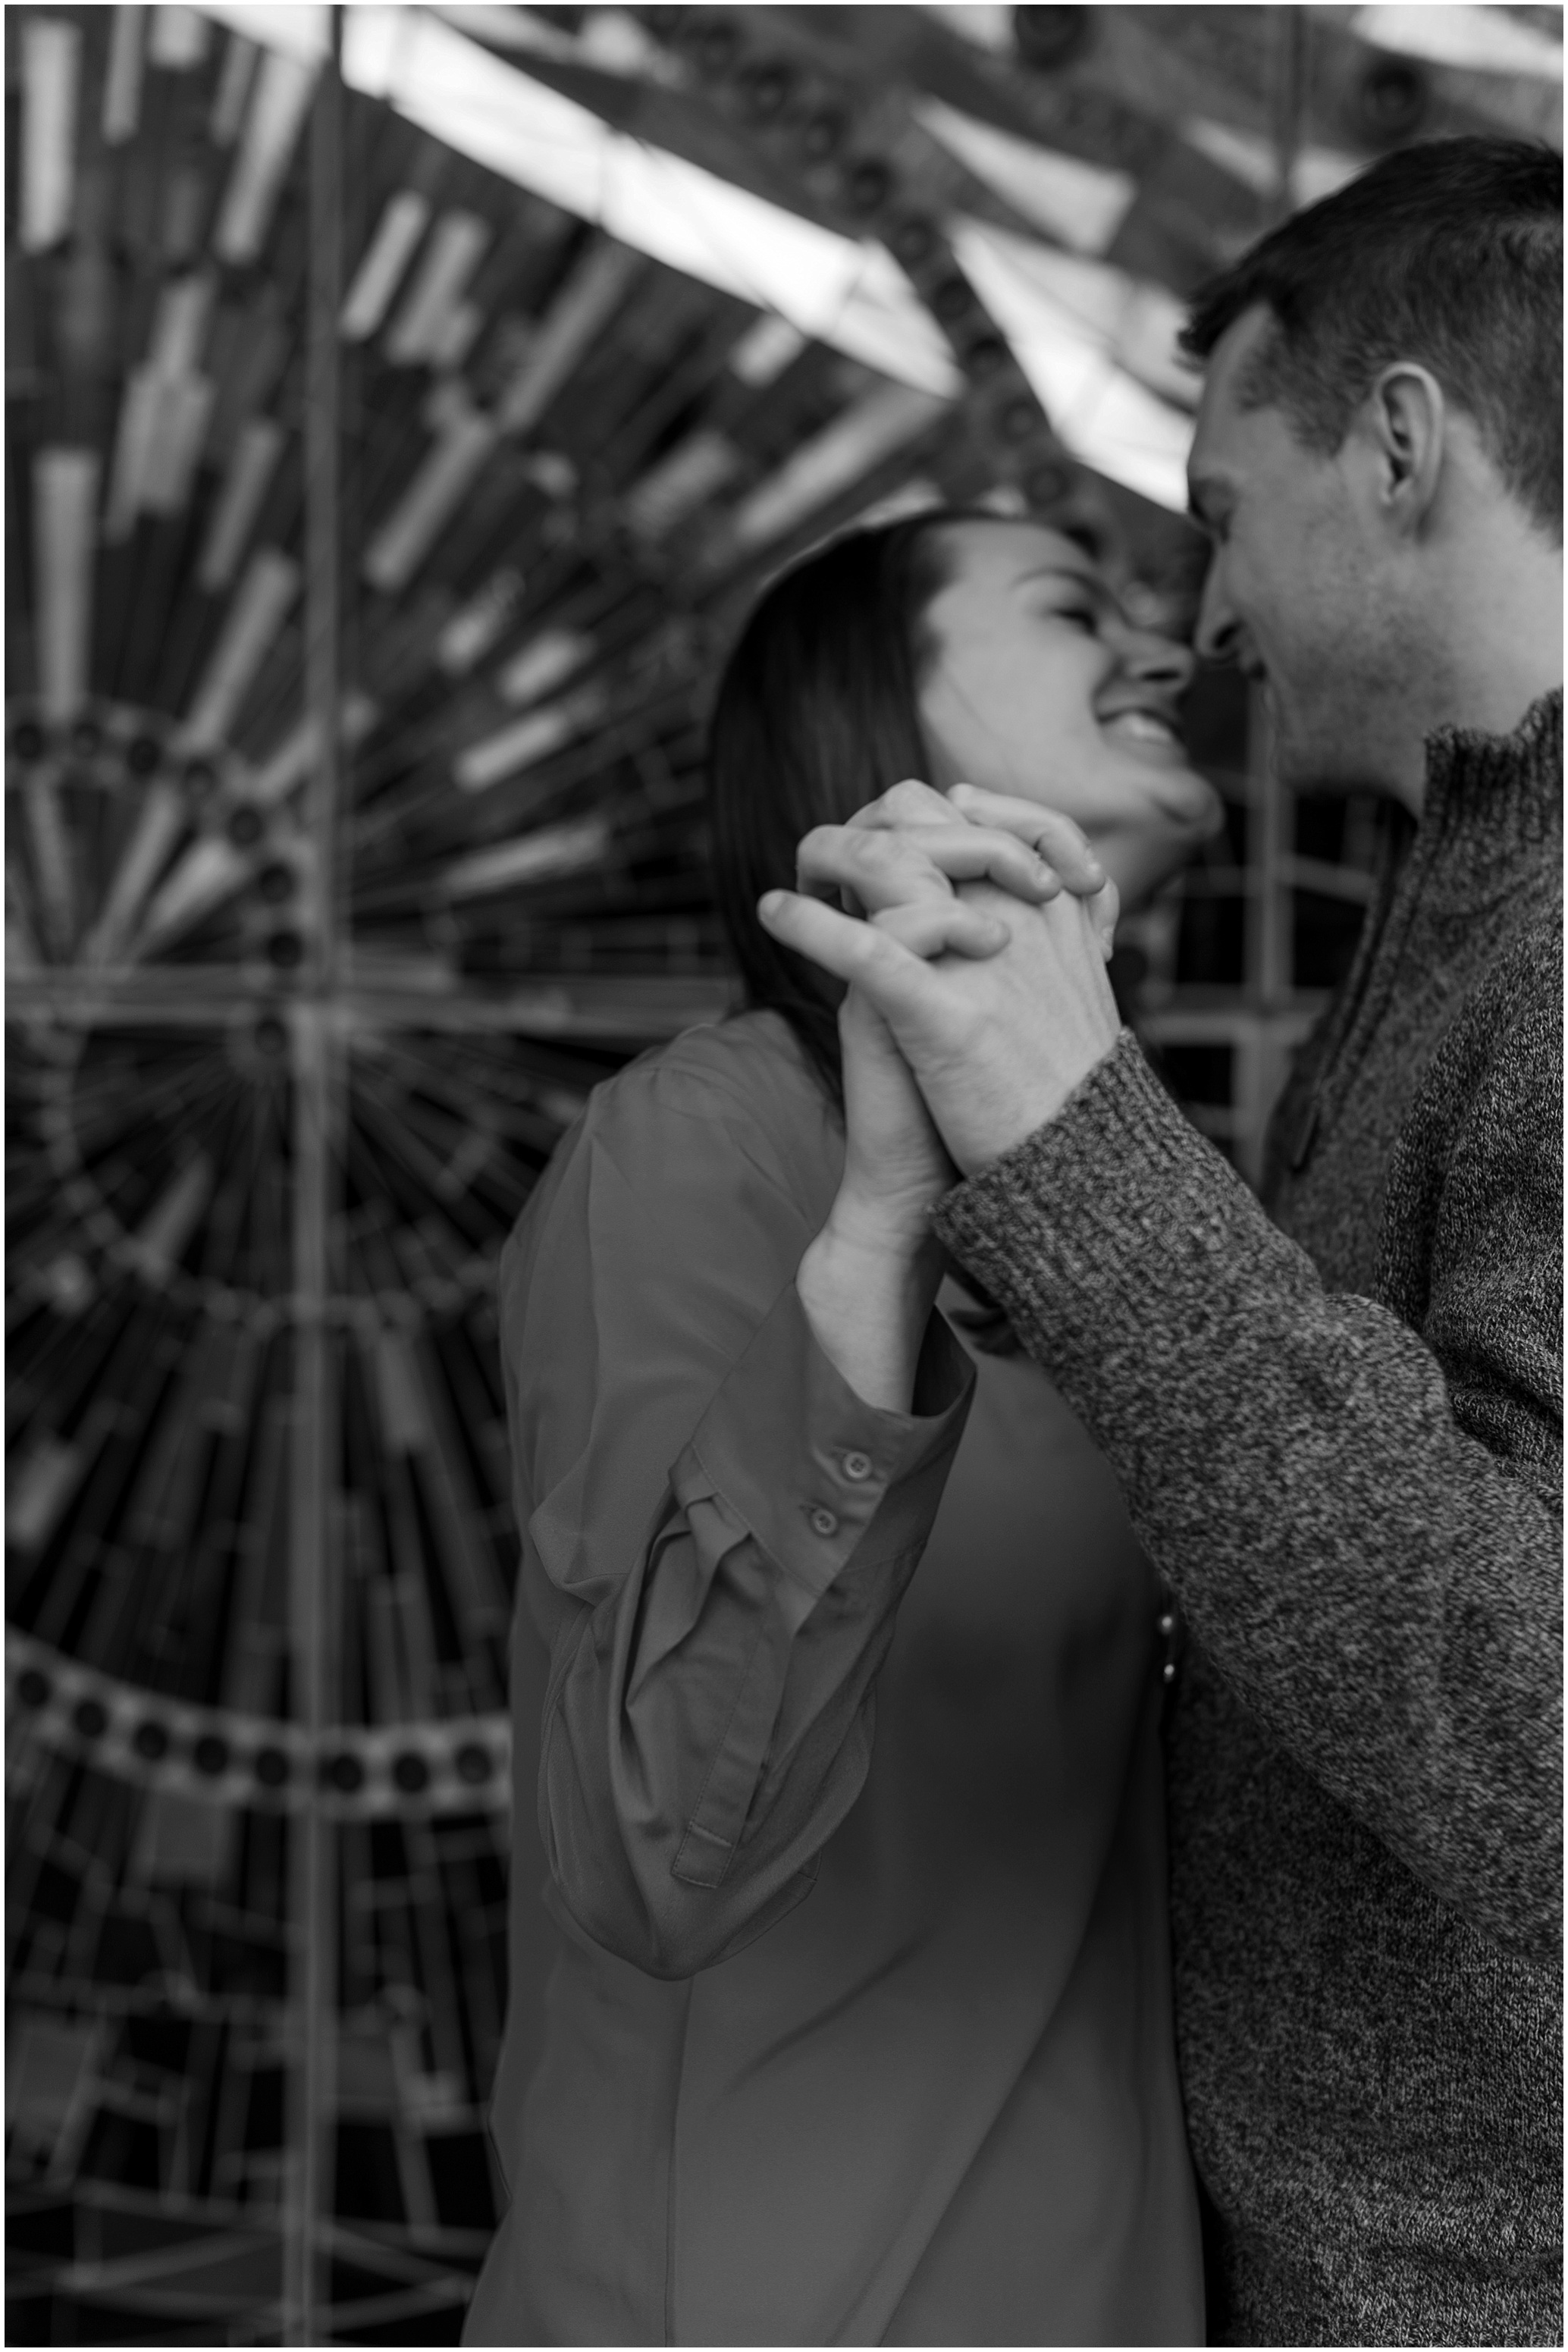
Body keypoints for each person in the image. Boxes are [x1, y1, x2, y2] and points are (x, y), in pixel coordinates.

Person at [759, 136, 1563, 2345]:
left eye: (1216, 516)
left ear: (1398, 444)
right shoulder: (1462, 889)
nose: (1200, 624)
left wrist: (1079, 1134)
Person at [463, 511, 1223, 2345]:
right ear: (872, 719)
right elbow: (658, 1845)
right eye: (1072, 609)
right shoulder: (705, 1144)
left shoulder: (1142, 1190)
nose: (1168, 648)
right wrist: (875, 1226)